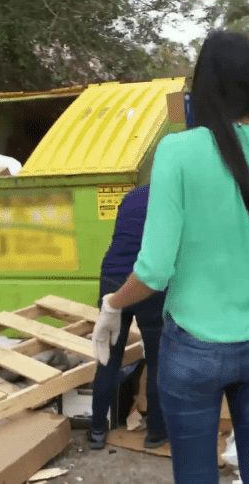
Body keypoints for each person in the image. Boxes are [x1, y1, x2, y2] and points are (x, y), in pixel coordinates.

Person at [91, 31, 249, 484]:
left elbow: (154, 271)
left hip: (193, 349)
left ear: (203, 88)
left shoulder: (178, 151)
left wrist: (113, 304)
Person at [88, 185, 168, 451]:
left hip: (111, 275)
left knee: (107, 357)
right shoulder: (173, 196)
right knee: (158, 360)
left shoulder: (132, 196)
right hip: (147, 280)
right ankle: (156, 434)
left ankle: (97, 430)